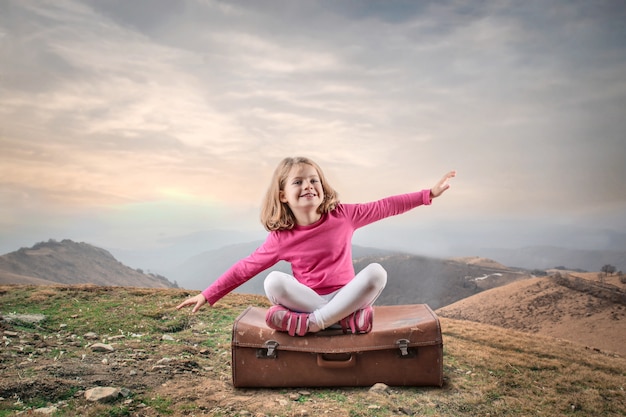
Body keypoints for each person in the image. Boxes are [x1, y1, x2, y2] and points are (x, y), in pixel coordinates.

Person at [176, 156, 456, 337]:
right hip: (307, 301)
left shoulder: (344, 215)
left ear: (322, 187)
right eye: (298, 181)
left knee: (376, 273)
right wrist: (208, 295)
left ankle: (315, 324)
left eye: (314, 180)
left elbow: (386, 206)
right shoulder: (281, 237)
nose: (308, 185)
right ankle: (342, 321)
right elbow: (244, 269)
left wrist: (428, 194)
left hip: (345, 297)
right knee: (273, 282)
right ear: (283, 195)